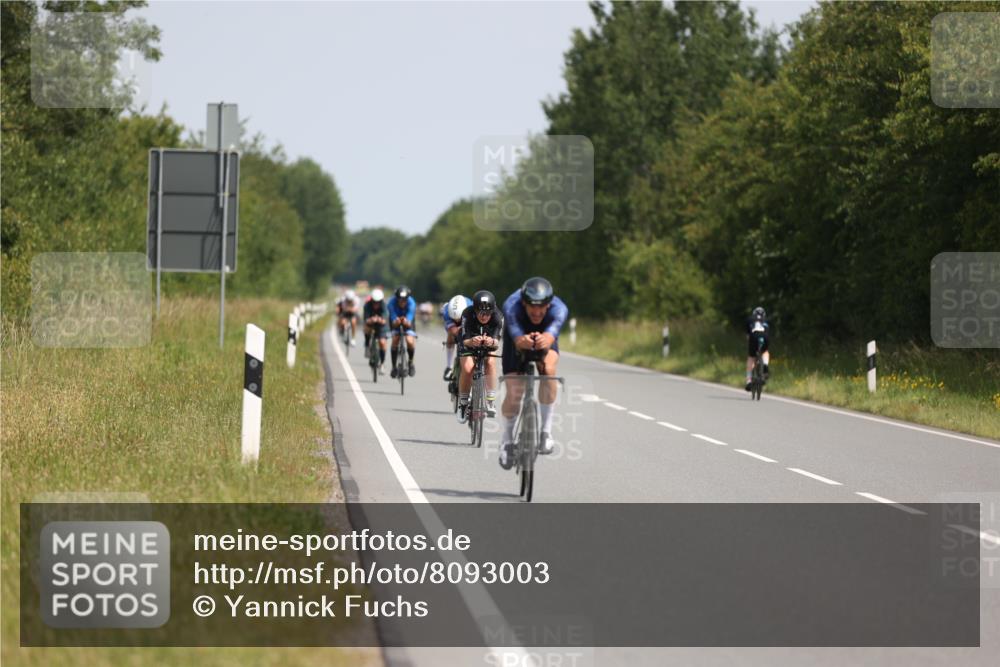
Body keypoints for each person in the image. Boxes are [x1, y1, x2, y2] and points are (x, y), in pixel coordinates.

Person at [498, 277, 568, 470]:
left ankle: (546, 432)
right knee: (514, 392)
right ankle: (507, 441)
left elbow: (551, 334)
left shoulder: (559, 309)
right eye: (532, 307)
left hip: (545, 335)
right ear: (523, 303)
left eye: (542, 308)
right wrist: (523, 341)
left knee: (549, 369)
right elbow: (518, 338)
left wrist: (545, 338)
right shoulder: (511, 306)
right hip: (517, 337)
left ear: (549, 304)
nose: (537, 312)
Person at [456, 290, 503, 424]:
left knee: (490, 362)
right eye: (480, 312)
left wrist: (491, 341)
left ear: (493, 311)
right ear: (474, 310)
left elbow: (497, 342)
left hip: (488, 341)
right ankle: (463, 404)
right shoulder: (467, 314)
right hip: (468, 340)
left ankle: (490, 400)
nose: (484, 316)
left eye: (487, 313)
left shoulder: (498, 317)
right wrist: (471, 341)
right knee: (468, 367)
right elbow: (464, 339)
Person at [441, 294, 473, 381]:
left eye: (458, 319)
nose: (457, 321)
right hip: (453, 324)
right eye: (455, 319)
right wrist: (455, 330)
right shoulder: (446, 311)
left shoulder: (471, 307)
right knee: (451, 336)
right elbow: (452, 329)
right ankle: (449, 367)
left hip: (468, 319)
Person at [388, 285, 417, 378]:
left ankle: (411, 363)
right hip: (395, 321)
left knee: (409, 341)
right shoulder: (391, 303)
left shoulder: (412, 303)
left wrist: (407, 320)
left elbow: (410, 315)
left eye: (405, 300)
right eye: (400, 299)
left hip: (408, 321)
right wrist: (395, 321)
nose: (402, 302)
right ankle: (393, 367)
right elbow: (392, 315)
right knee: (395, 340)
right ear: (396, 298)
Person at [362, 288, 389, 371]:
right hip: (370, 323)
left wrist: (380, 319)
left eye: (378, 302)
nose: (376, 304)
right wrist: (371, 320)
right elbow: (366, 318)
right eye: (374, 301)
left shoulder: (384, 305)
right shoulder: (367, 305)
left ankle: (382, 363)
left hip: (381, 325)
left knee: (382, 342)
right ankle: (367, 346)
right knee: (366, 329)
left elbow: (385, 316)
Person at [745, 306, 770, 391]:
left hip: (754, 336)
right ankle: (765, 364)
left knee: (751, 357)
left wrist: (750, 346)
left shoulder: (750, 319)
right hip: (764, 336)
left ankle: (748, 380)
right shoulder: (766, 319)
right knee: (765, 351)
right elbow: (768, 331)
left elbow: (748, 336)